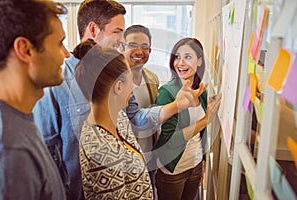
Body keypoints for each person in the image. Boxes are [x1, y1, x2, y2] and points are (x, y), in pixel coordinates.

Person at [33, 1, 206, 199]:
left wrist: (178, 105)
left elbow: (135, 119)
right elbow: (46, 151)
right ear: (93, 29)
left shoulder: (115, 74)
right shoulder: (56, 80)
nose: (122, 40)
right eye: (117, 31)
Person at [0, 0, 70, 199]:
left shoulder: (20, 119)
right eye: (59, 43)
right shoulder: (11, 149)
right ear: (26, 50)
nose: (66, 54)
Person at [74, 41, 153, 199]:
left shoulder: (119, 117)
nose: (133, 86)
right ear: (118, 87)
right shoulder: (101, 151)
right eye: (130, 79)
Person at [153, 38, 221, 200]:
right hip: (173, 170)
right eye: (177, 57)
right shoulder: (166, 93)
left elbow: (200, 134)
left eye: (187, 57)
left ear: (199, 61)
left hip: (195, 165)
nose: (180, 62)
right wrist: (206, 120)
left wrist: (202, 162)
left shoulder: (200, 90)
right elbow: (170, 140)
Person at [123, 24, 159, 195]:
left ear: (150, 51)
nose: (139, 51)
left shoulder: (153, 78)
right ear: (122, 47)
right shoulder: (114, 81)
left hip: (149, 159)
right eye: (133, 45)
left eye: (145, 46)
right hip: (125, 164)